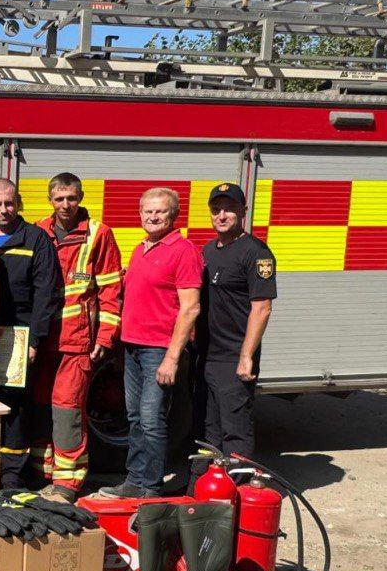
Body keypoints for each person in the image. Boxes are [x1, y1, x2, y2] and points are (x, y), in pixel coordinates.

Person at [94, 187, 202, 499]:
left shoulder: (184, 251)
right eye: (148, 211)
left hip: (159, 350)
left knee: (153, 420)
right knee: (135, 418)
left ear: (174, 216)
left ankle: (151, 487)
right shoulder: (141, 248)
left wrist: (172, 358)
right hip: (131, 347)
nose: (153, 217)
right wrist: (119, 348)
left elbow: (191, 307)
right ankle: (135, 479)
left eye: (160, 211)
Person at [31, 172, 124, 502]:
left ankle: (68, 482)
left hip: (78, 339)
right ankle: (42, 470)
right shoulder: (39, 230)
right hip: (43, 340)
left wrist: (106, 337)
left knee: (68, 407)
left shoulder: (99, 233)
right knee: (41, 404)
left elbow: (112, 288)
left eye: (72, 198)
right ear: (50, 199)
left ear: (81, 197)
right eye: (59, 198)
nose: (66, 204)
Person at [0, 178, 61, 491]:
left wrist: (36, 339)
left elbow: (45, 293)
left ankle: (11, 473)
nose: (4, 209)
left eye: (9, 203)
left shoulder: (36, 239)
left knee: (15, 406)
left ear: (19, 203)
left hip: (18, 335)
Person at [194, 182, 276, 480]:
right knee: (208, 431)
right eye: (216, 210)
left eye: (229, 209)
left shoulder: (256, 252)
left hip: (233, 356)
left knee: (235, 431)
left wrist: (246, 356)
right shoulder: (208, 250)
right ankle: (205, 491)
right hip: (208, 355)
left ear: (243, 211)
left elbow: (262, 308)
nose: (222, 214)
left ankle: (237, 490)